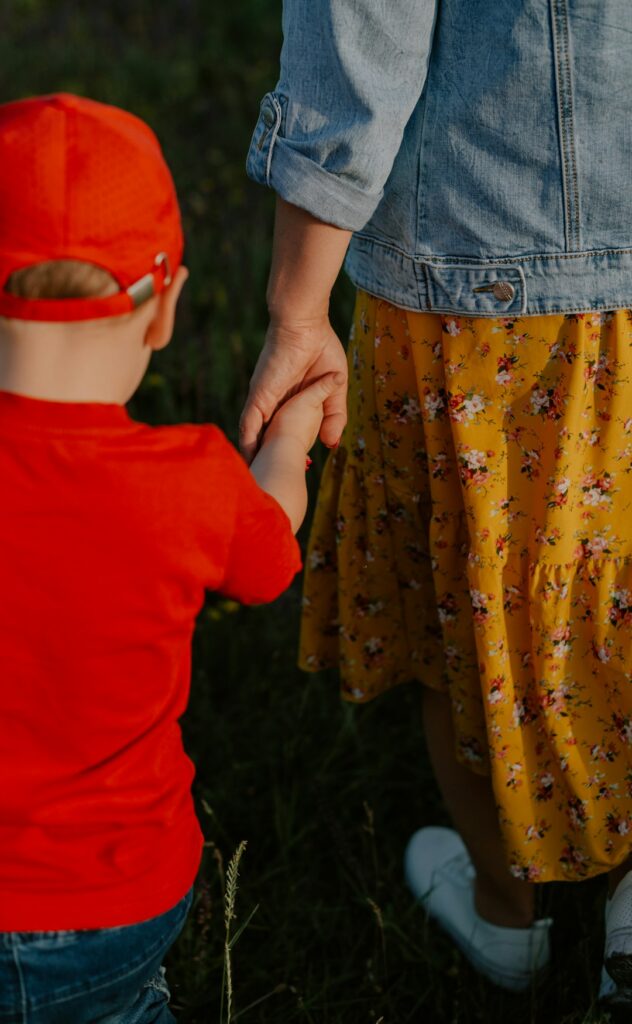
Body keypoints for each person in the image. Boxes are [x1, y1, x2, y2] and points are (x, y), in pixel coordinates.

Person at [242, 0, 632, 1004]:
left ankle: (507, 913)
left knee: (469, 609)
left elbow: (360, 40)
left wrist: (295, 310)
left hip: (478, 265)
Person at [0, 93, 339, 1023]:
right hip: (118, 901)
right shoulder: (188, 483)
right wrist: (292, 436)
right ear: (166, 310)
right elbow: (271, 557)